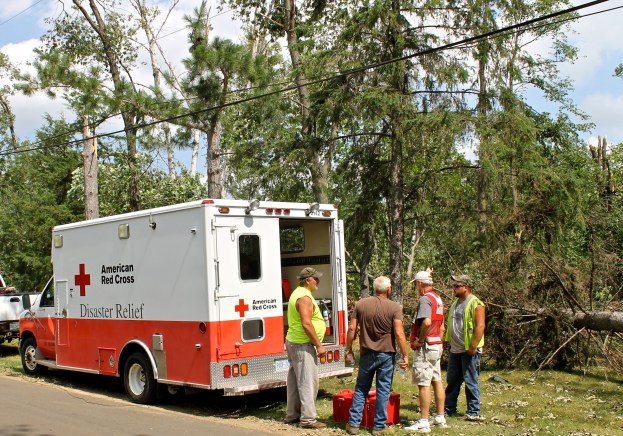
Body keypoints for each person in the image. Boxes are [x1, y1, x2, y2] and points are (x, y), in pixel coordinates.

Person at [344, 276, 409, 436]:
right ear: (389, 289)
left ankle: (353, 424)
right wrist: (405, 355)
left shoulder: (361, 304)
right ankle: (379, 427)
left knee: (361, 389)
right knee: (383, 389)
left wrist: (348, 349)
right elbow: (399, 333)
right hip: (386, 354)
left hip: (366, 353)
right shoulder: (395, 307)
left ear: (375, 289)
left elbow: (352, 329)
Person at [283, 267, 327, 429]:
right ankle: (308, 419)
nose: (318, 281)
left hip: (295, 342)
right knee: (308, 381)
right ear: (308, 280)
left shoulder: (299, 292)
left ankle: (292, 415)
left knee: (295, 381)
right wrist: (319, 345)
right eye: (316, 279)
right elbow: (307, 323)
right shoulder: (304, 298)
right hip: (302, 344)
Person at [404, 270, 447, 433]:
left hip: (426, 345)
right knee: (437, 380)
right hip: (437, 344)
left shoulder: (425, 299)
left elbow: (427, 323)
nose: (416, 287)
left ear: (420, 283)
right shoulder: (438, 298)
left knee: (423, 383)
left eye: (415, 284)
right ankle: (440, 417)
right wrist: (439, 342)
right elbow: (441, 326)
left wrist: (420, 340)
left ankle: (423, 421)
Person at [444, 274, 486, 421]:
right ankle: (449, 409)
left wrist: (473, 346)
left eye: (457, 286)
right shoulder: (455, 303)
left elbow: (480, 325)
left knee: (470, 380)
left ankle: (473, 411)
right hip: (455, 348)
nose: (453, 289)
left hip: (469, 349)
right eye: (453, 286)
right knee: (452, 381)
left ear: (466, 287)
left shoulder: (476, 303)